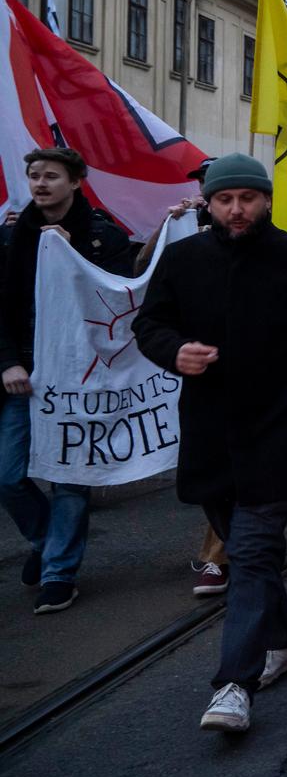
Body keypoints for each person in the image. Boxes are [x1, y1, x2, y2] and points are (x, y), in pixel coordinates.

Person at [133, 154, 287, 733]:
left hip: (279, 426)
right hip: (211, 431)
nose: (237, 209)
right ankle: (283, 642)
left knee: (250, 552)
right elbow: (149, 324)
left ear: (266, 200)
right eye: (225, 200)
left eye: (247, 198)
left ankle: (234, 684)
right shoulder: (183, 258)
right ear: (209, 203)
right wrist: (174, 351)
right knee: (251, 554)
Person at [0, 147, 135, 614]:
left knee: (71, 478)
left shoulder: (102, 236)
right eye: (35, 175)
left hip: (80, 377)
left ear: (75, 182)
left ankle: (59, 572)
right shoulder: (11, 237)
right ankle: (46, 541)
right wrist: (8, 363)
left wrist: (70, 253)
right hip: (25, 375)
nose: (40, 183)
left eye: (51, 176)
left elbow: (119, 301)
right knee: (9, 476)